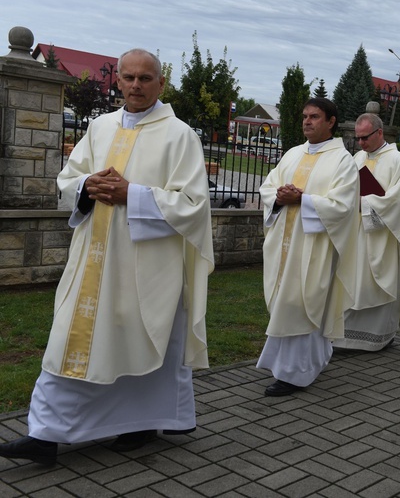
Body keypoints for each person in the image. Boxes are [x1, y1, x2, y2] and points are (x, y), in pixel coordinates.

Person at [0, 48, 214, 465]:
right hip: (93, 258)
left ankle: (140, 422)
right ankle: (45, 433)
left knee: (139, 339)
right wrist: (86, 186)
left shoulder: (180, 135)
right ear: (117, 80)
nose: (136, 85)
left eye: (145, 78)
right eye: (128, 77)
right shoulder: (99, 127)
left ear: (160, 84)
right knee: (69, 337)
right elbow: (68, 179)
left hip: (145, 264)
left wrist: (130, 193)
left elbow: (193, 204)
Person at [258, 97, 359, 397]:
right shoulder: (291, 154)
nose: (307, 121)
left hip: (314, 248)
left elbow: (343, 207)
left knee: (302, 303)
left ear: (330, 122)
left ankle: (296, 373)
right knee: (283, 302)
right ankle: (297, 362)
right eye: (305, 116)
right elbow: (267, 187)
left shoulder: (343, 161)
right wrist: (279, 196)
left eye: (314, 117)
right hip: (283, 245)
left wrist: (303, 199)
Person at [332, 113, 400, 351]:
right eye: (357, 138)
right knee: (351, 281)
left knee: (375, 283)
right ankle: (343, 338)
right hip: (354, 234)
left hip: (381, 237)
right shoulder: (357, 157)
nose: (360, 143)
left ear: (379, 133)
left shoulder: (397, 161)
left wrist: (366, 203)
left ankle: (379, 338)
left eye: (364, 137)